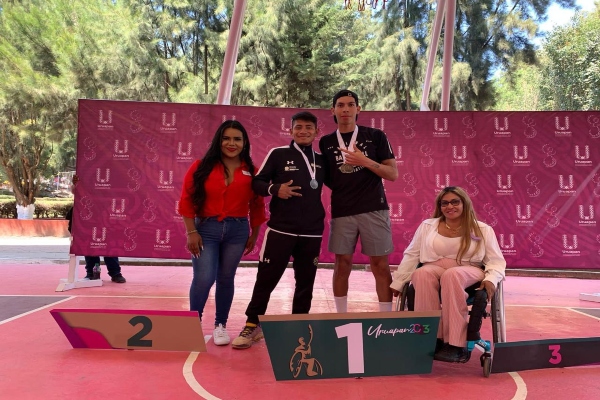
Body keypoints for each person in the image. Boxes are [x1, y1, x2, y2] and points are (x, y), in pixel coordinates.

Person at [231, 111, 325, 350]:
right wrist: (275, 189)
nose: (303, 131)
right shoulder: (278, 154)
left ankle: (299, 327)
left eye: (308, 127)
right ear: (290, 130)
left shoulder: (321, 160)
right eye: (298, 127)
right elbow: (257, 183)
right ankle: (252, 324)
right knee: (266, 279)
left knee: (305, 282)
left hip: (312, 231)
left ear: (316, 131)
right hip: (281, 230)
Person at [390, 186, 506, 363]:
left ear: (464, 203)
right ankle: (430, 339)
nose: (449, 206)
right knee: (421, 274)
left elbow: (496, 261)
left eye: (455, 202)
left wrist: (491, 279)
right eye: (444, 203)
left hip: (469, 269)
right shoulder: (428, 226)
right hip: (435, 267)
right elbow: (412, 254)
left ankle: (455, 344)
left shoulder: (482, 229)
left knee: (452, 275)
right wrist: (399, 281)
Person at [178, 120, 267, 346]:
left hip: (238, 231)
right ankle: (192, 325)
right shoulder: (201, 166)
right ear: (218, 141)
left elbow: (257, 205)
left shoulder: (252, 171)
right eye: (226, 138)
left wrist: (254, 234)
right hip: (205, 229)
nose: (231, 143)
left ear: (244, 143)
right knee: (204, 278)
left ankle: (220, 325)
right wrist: (191, 231)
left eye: (237, 139)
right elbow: (186, 200)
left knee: (226, 278)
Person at [318, 89, 398, 313]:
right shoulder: (325, 142)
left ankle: (386, 319)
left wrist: (364, 160)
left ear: (358, 109)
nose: (345, 109)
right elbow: (330, 177)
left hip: (374, 208)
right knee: (342, 264)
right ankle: (340, 317)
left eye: (350, 104)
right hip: (342, 210)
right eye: (340, 105)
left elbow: (392, 174)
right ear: (333, 110)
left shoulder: (375, 136)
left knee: (380, 265)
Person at [66, 176, 126, 283]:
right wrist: (76, 183)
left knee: (109, 246)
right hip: (86, 215)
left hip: (106, 215)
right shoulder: (85, 174)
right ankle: (93, 273)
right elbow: (75, 192)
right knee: (90, 246)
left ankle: (115, 273)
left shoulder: (111, 176)